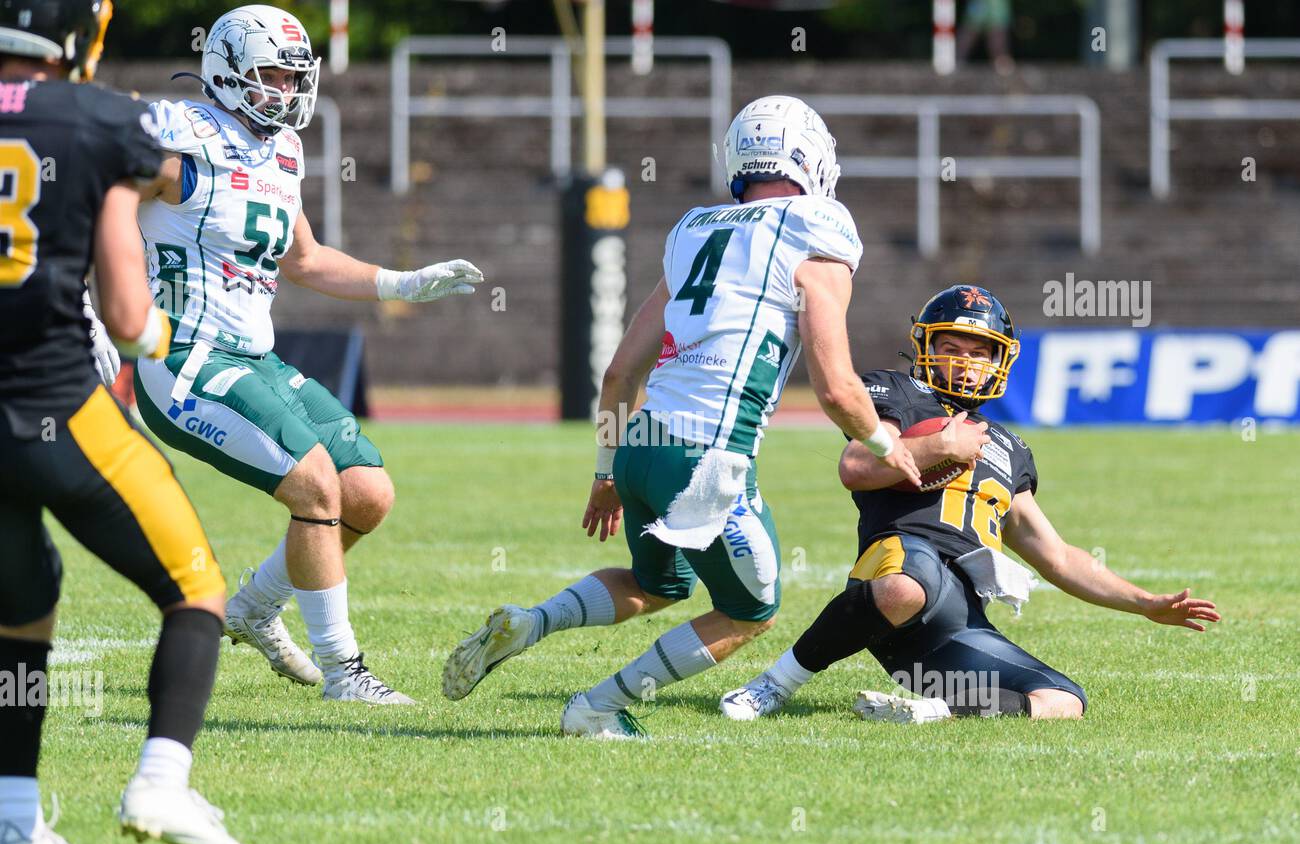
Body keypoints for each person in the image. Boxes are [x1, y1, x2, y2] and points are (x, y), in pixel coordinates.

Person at [442, 95, 920, 738]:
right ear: (811, 160)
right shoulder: (816, 227)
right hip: (707, 458)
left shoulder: (696, 229)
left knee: (656, 584)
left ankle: (531, 622)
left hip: (639, 443)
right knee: (751, 612)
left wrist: (607, 471)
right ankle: (597, 707)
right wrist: (889, 446)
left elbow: (618, 373)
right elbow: (835, 388)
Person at [127, 4, 483, 702]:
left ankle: (255, 608)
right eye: (268, 75)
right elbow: (96, 194)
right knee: (316, 484)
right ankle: (345, 672)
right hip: (185, 358)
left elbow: (307, 258)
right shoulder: (181, 140)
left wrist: (402, 281)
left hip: (255, 357)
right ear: (227, 72)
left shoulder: (281, 152)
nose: (285, 91)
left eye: (293, 77)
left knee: (367, 493)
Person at [721, 285, 1220, 723]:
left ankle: (931, 711)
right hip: (899, 569)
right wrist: (938, 446)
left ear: (998, 361)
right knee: (907, 584)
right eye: (951, 347)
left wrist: (1144, 603)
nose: (963, 361)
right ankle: (776, 683)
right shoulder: (899, 392)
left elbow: (1059, 556)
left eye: (978, 352)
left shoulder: (1011, 448)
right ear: (925, 348)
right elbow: (855, 466)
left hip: (957, 618)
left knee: (1064, 700)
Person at [0, 0, 253, 844]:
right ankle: (161, 781)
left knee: (21, 613)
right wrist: (152, 339)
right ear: (81, 35)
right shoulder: (105, 120)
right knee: (196, 588)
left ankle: (14, 817)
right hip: (59, 407)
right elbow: (125, 308)